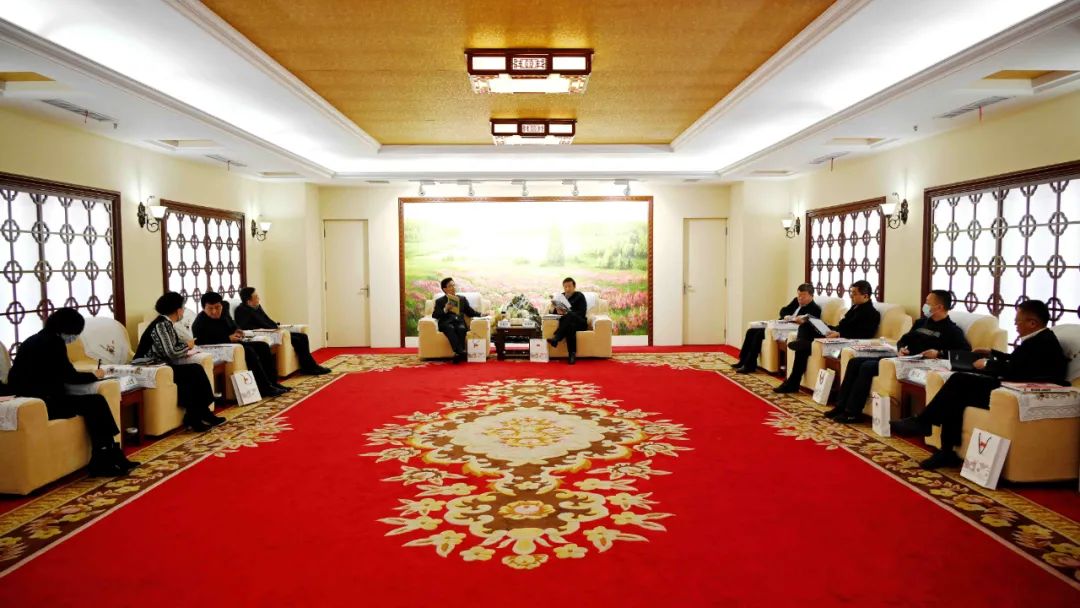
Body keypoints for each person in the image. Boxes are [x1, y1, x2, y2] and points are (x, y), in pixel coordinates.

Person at [891, 299, 1067, 469]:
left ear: (1032, 323)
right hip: (1008, 384)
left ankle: (923, 422)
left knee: (959, 380)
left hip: (1016, 390)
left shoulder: (1044, 343)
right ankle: (946, 451)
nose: (1015, 324)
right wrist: (992, 353)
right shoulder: (1038, 339)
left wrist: (988, 364)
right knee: (956, 394)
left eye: (1018, 321)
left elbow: (1021, 371)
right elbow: (1019, 361)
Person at [7, 308, 138, 476]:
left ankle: (107, 454)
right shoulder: (53, 343)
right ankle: (107, 455)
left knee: (95, 403)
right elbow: (69, 376)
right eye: (75, 333)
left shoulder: (35, 339)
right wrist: (95, 375)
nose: (75, 338)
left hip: (36, 398)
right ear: (66, 329)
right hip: (43, 403)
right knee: (96, 402)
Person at [826, 289, 970, 422]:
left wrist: (939, 353)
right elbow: (904, 339)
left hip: (920, 364)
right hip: (902, 358)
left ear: (939, 307)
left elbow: (964, 351)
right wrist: (901, 348)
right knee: (855, 362)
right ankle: (840, 406)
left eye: (928, 303)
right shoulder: (921, 323)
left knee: (867, 367)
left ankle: (852, 412)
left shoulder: (952, 330)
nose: (924, 306)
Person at [134, 292, 225, 432]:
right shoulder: (161, 325)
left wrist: (187, 347)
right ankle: (198, 416)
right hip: (149, 367)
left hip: (162, 366)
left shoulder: (167, 324)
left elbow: (173, 347)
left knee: (193, 372)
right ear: (178, 310)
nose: (183, 311)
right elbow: (171, 352)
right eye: (183, 308)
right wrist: (187, 346)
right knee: (194, 370)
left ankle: (198, 414)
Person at [774, 280, 880, 393]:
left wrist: (839, 334)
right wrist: (831, 329)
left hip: (844, 339)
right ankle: (804, 343)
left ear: (865, 296)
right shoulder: (855, 307)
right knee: (806, 325)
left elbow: (864, 334)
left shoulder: (872, 313)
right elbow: (843, 325)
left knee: (802, 350)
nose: (851, 296)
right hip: (836, 332)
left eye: (854, 293)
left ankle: (793, 380)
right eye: (851, 292)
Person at [192, 291, 291, 398]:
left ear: (221, 305)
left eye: (217, 307)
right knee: (249, 351)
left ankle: (273, 382)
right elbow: (201, 342)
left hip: (233, 343)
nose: (214, 311)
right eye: (210, 308)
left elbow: (233, 326)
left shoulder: (223, 314)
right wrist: (228, 338)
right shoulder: (199, 323)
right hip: (221, 348)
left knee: (263, 346)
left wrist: (238, 330)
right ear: (204, 308)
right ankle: (265, 388)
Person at [234, 287, 331, 375]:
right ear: (249, 301)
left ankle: (310, 366)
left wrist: (276, 326)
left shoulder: (257, 307)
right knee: (297, 340)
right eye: (256, 297)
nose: (259, 298)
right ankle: (309, 367)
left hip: (274, 331)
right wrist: (269, 329)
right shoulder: (241, 311)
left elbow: (267, 320)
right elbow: (245, 328)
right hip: (265, 335)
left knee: (302, 336)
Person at [734, 283, 822, 373]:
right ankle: (742, 360)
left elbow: (810, 325)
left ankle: (749, 365)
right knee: (751, 331)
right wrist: (786, 316)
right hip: (781, 325)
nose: (800, 298)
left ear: (811, 296)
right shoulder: (796, 301)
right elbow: (783, 310)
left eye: (803, 296)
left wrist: (800, 321)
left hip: (791, 330)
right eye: (799, 295)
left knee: (759, 334)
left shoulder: (815, 309)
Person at [432, 277, 481, 363]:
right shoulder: (440, 301)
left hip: (459, 322)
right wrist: (445, 309)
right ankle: (461, 351)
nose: (453, 287)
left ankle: (459, 354)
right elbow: (435, 315)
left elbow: (470, 312)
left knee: (461, 328)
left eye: (454, 285)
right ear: (445, 289)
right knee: (450, 328)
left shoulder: (462, 299)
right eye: (450, 286)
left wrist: (481, 314)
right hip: (446, 323)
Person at [547, 277, 588, 365]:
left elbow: (582, 312)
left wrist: (569, 313)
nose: (567, 289)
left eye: (569, 286)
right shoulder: (561, 297)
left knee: (569, 315)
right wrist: (554, 308)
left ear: (574, 286)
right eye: (565, 287)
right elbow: (553, 313)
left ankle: (557, 337)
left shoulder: (579, 296)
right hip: (568, 324)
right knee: (570, 327)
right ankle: (571, 355)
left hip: (580, 322)